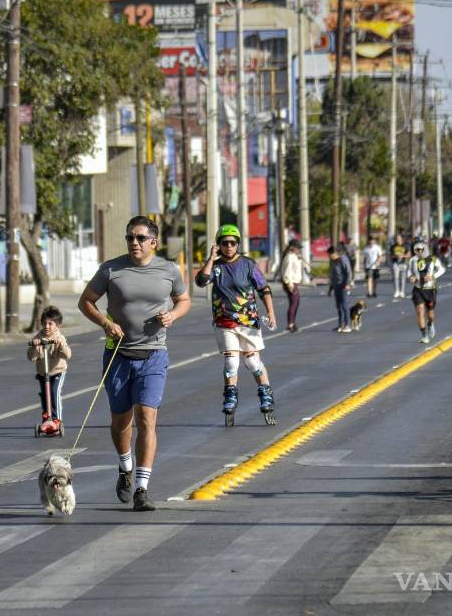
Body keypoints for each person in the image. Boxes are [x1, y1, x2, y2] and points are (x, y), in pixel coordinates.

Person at [78, 216, 191, 511]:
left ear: (153, 241)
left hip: (154, 353)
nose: (134, 243)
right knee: (120, 422)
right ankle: (125, 466)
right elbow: (86, 301)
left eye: (140, 238)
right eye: (130, 238)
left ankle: (142, 488)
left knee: (146, 418)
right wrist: (105, 322)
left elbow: (184, 300)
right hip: (119, 354)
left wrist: (173, 316)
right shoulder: (111, 269)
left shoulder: (168, 270)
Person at [195, 224, 278, 425]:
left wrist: (271, 312)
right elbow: (200, 281)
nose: (229, 247)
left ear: (238, 244)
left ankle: (266, 395)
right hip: (224, 321)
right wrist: (211, 257)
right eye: (224, 243)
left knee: (252, 362)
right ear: (219, 245)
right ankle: (230, 398)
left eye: (232, 243)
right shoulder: (216, 267)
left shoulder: (248, 264)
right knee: (232, 362)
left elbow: (263, 289)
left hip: (248, 321)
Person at [27, 306, 71, 429]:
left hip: (57, 371)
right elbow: (31, 358)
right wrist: (34, 347)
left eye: (50, 324)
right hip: (43, 373)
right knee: (44, 395)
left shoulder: (59, 338)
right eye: (44, 323)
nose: (47, 326)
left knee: (54, 392)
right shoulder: (38, 338)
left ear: (57, 326)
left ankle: (57, 419)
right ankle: (47, 416)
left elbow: (67, 355)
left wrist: (61, 346)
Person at [407, 240, 446, 344]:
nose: (418, 252)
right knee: (420, 311)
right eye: (416, 250)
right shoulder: (412, 260)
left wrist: (432, 276)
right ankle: (424, 336)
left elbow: (442, 270)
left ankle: (431, 323)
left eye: (420, 249)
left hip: (430, 290)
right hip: (418, 289)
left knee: (430, 314)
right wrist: (411, 277)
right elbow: (409, 271)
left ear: (425, 249)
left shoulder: (433, 259)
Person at [327, 245, 353, 333]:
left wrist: (348, 284)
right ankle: (340, 324)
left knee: (344, 305)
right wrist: (330, 289)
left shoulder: (343, 259)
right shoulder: (332, 261)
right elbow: (332, 275)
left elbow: (349, 272)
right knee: (338, 306)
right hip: (336, 286)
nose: (329, 256)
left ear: (335, 253)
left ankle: (347, 325)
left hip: (344, 285)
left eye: (330, 255)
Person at [281, 239, 305, 332]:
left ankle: (292, 323)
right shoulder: (290, 257)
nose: (299, 249)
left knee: (296, 303)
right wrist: (289, 283)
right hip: (290, 282)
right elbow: (287, 271)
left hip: (294, 282)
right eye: (297, 248)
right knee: (293, 303)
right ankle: (290, 324)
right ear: (292, 247)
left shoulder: (294, 256)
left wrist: (299, 259)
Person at [389, 233, 410, 298]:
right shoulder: (393, 246)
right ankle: (397, 291)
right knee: (395, 277)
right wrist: (396, 256)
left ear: (401, 239)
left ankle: (402, 291)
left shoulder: (406, 245)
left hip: (403, 263)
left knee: (403, 278)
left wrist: (403, 256)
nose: (397, 240)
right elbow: (390, 255)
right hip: (395, 263)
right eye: (396, 239)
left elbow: (409, 254)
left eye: (398, 238)